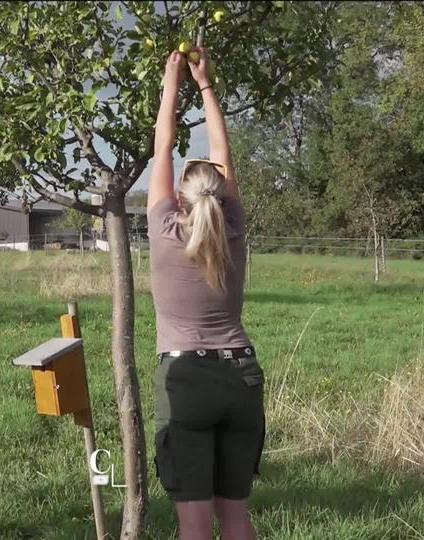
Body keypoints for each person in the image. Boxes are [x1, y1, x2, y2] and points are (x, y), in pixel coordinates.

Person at [147, 49, 264, 540]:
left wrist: (172, 82)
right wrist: (206, 84)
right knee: (235, 519)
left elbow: (163, 144)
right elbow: (222, 152)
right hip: (241, 377)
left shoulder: (164, 227)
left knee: (194, 527)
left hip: (185, 378)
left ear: (180, 196)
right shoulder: (232, 227)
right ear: (220, 195)